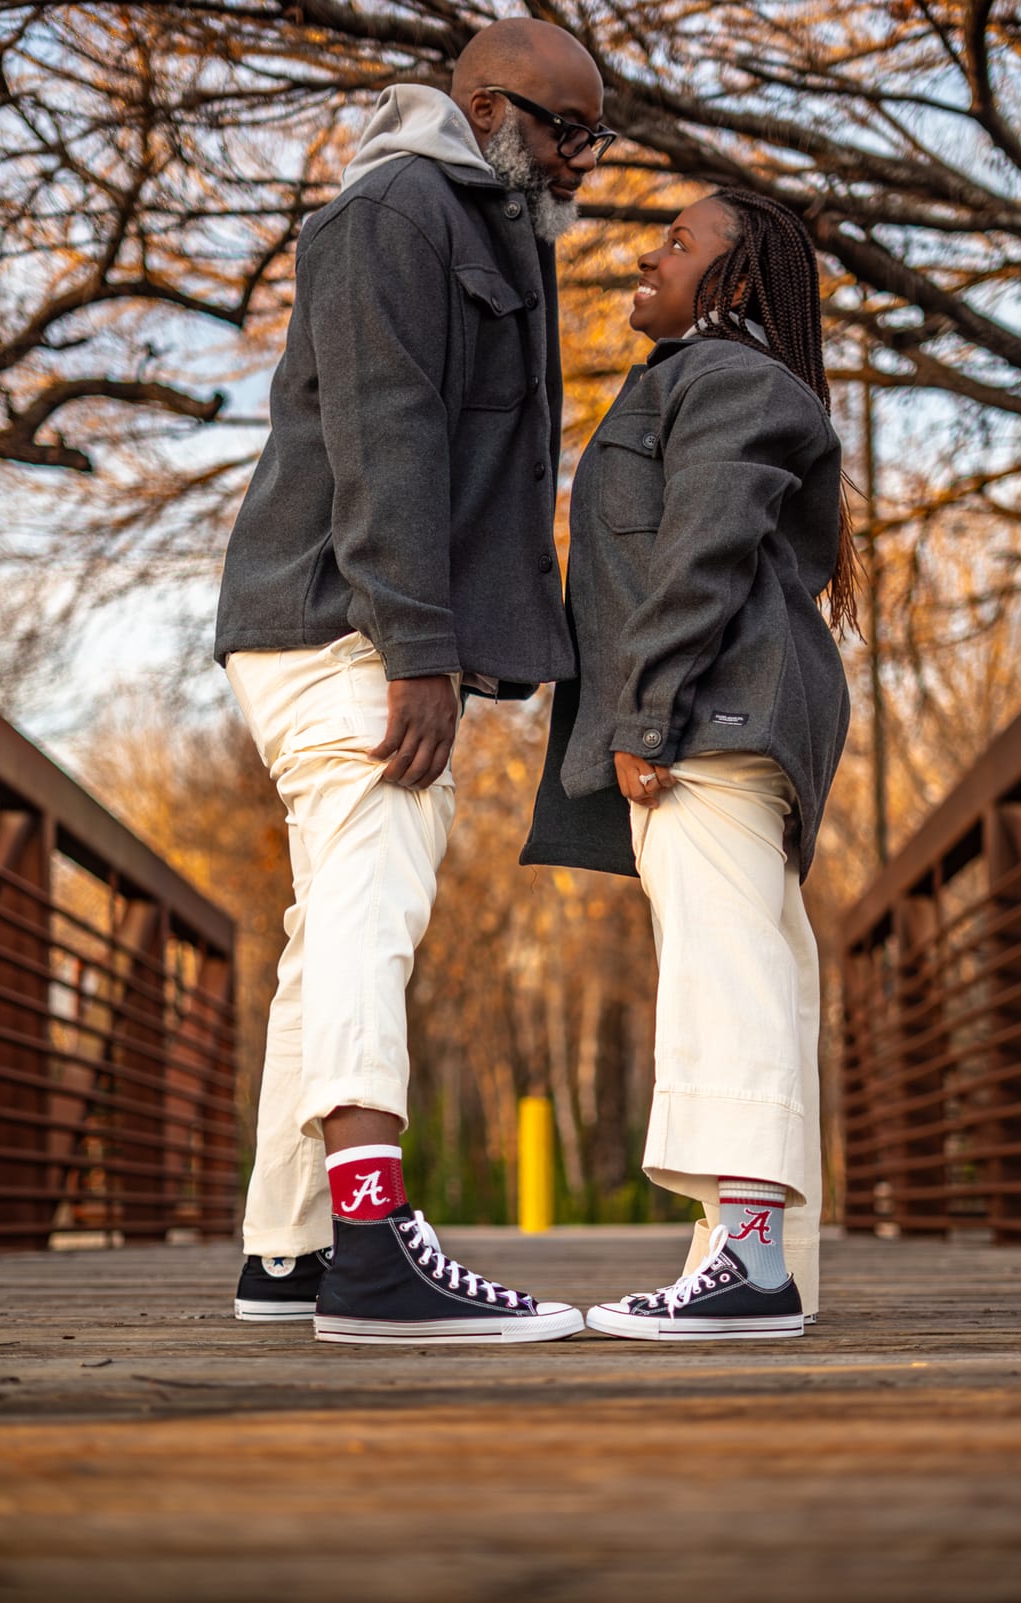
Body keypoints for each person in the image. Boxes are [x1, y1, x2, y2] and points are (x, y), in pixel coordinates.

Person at [216, 18, 615, 1342]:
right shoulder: (400, 212)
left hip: (353, 626)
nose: (587, 159)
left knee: (328, 935)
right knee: (373, 914)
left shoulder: (482, 220)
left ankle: (292, 1251)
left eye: (596, 134)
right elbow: (386, 439)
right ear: (489, 106)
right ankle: (377, 1247)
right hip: (347, 630)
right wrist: (420, 649)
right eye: (567, 129)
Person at [522, 188, 856, 1339]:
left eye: (679, 242)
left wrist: (642, 710)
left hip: (711, 714)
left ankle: (751, 1263)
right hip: (726, 710)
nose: (648, 256)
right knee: (743, 961)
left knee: (727, 972)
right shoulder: (717, 378)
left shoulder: (731, 378)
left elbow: (704, 545)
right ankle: (747, 1257)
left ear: (738, 279)